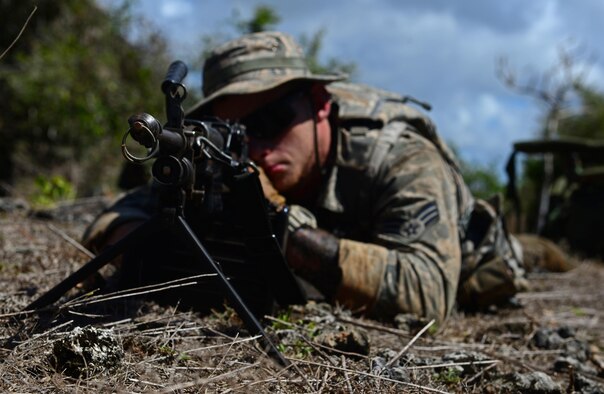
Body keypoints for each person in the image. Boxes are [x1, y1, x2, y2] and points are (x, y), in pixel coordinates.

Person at [83, 31, 531, 323]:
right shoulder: (223, 155)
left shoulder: (398, 154)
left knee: (528, 259)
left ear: (319, 103)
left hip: (471, 256)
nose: (255, 148)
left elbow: (428, 290)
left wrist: (279, 224)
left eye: (272, 121)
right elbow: (117, 218)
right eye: (234, 132)